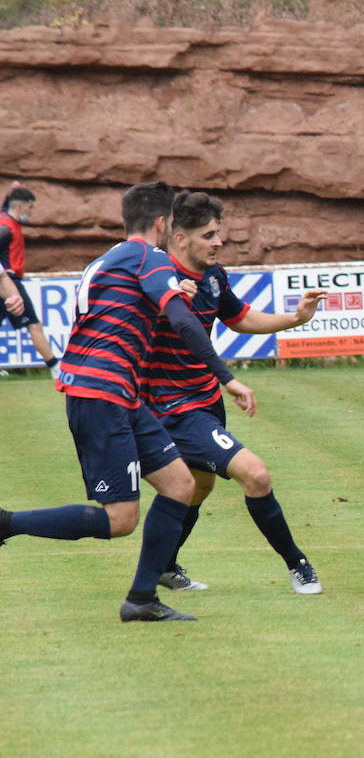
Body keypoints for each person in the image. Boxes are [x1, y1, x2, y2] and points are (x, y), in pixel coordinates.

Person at [0, 182, 254, 623]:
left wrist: (168, 300)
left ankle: (141, 600)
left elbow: (123, 315)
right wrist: (226, 377)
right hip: (101, 395)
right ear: (161, 224)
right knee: (120, 519)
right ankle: (6, 523)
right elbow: (182, 322)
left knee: (180, 485)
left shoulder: (109, 259)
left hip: (120, 394)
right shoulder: (148, 257)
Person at [145, 191, 328, 594]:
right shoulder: (158, 280)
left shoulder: (212, 276)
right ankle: (299, 565)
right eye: (208, 235)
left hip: (204, 399)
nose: (218, 242)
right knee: (256, 474)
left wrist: (295, 318)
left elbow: (240, 317)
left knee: (199, 485)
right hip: (173, 406)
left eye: (218, 233)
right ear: (180, 239)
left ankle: (162, 566)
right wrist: (230, 379)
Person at [0, 185, 60, 375]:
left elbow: (5, 207)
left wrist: (11, 192)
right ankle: (55, 367)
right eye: (30, 207)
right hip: (9, 281)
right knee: (33, 324)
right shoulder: (6, 229)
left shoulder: (5, 218)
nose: (31, 212)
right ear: (21, 207)